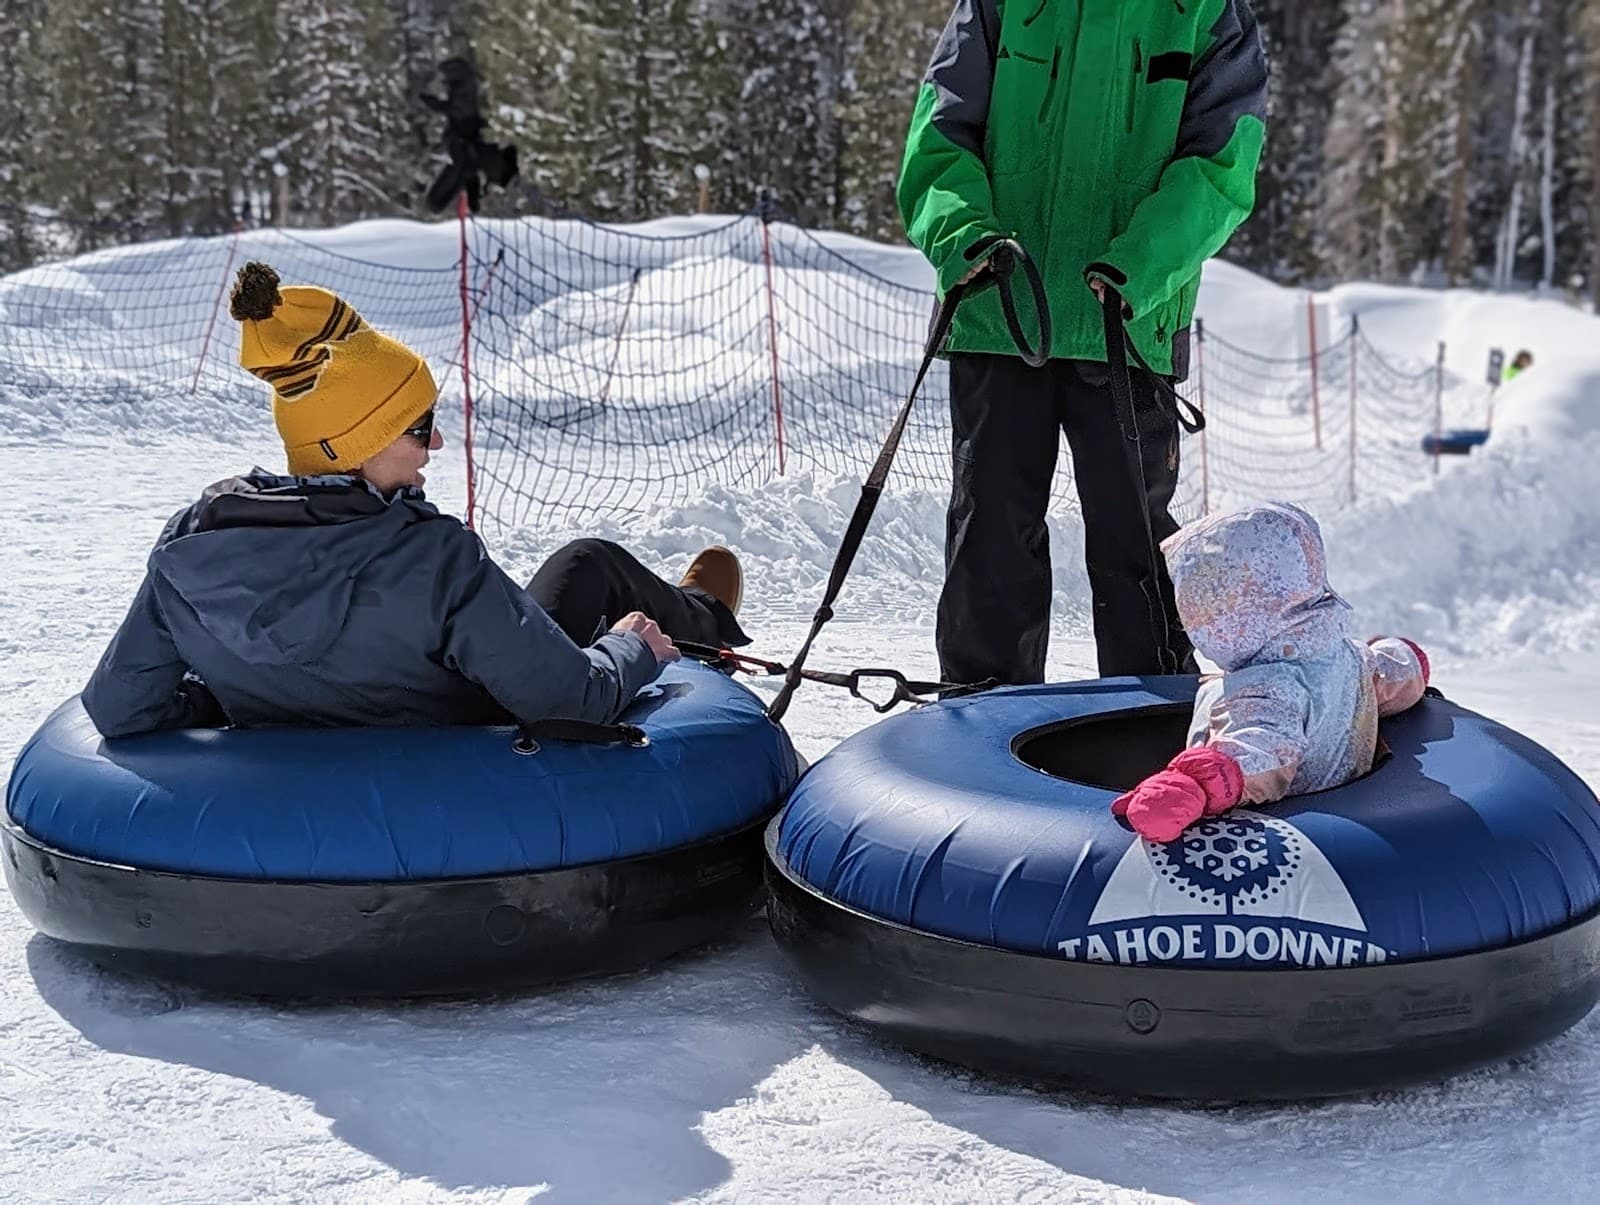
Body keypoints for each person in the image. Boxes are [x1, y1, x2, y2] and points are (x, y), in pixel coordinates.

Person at [81, 262, 746, 739]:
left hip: (307, 728)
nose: (435, 443)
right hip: (479, 746)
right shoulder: (435, 558)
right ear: (362, 440)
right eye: (421, 426)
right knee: (589, 562)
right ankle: (701, 621)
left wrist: (238, 695)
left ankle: (697, 614)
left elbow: (120, 708)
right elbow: (571, 702)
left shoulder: (192, 544)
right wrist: (630, 651)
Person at [897, 1, 1269, 685]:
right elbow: (939, 133)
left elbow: (1222, 163)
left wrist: (1142, 265)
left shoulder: (1210, 12)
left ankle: (1153, 722)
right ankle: (979, 717)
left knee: (1136, 544)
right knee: (990, 540)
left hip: (1127, 321)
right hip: (1000, 308)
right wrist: (968, 242)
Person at [1110, 503, 1430, 842]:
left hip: (1271, 836)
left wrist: (1192, 787)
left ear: (1229, 618)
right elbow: (1386, 673)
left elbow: (1259, 750)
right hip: (1345, 809)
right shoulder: (1339, 656)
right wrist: (1410, 661)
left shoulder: (1269, 692)